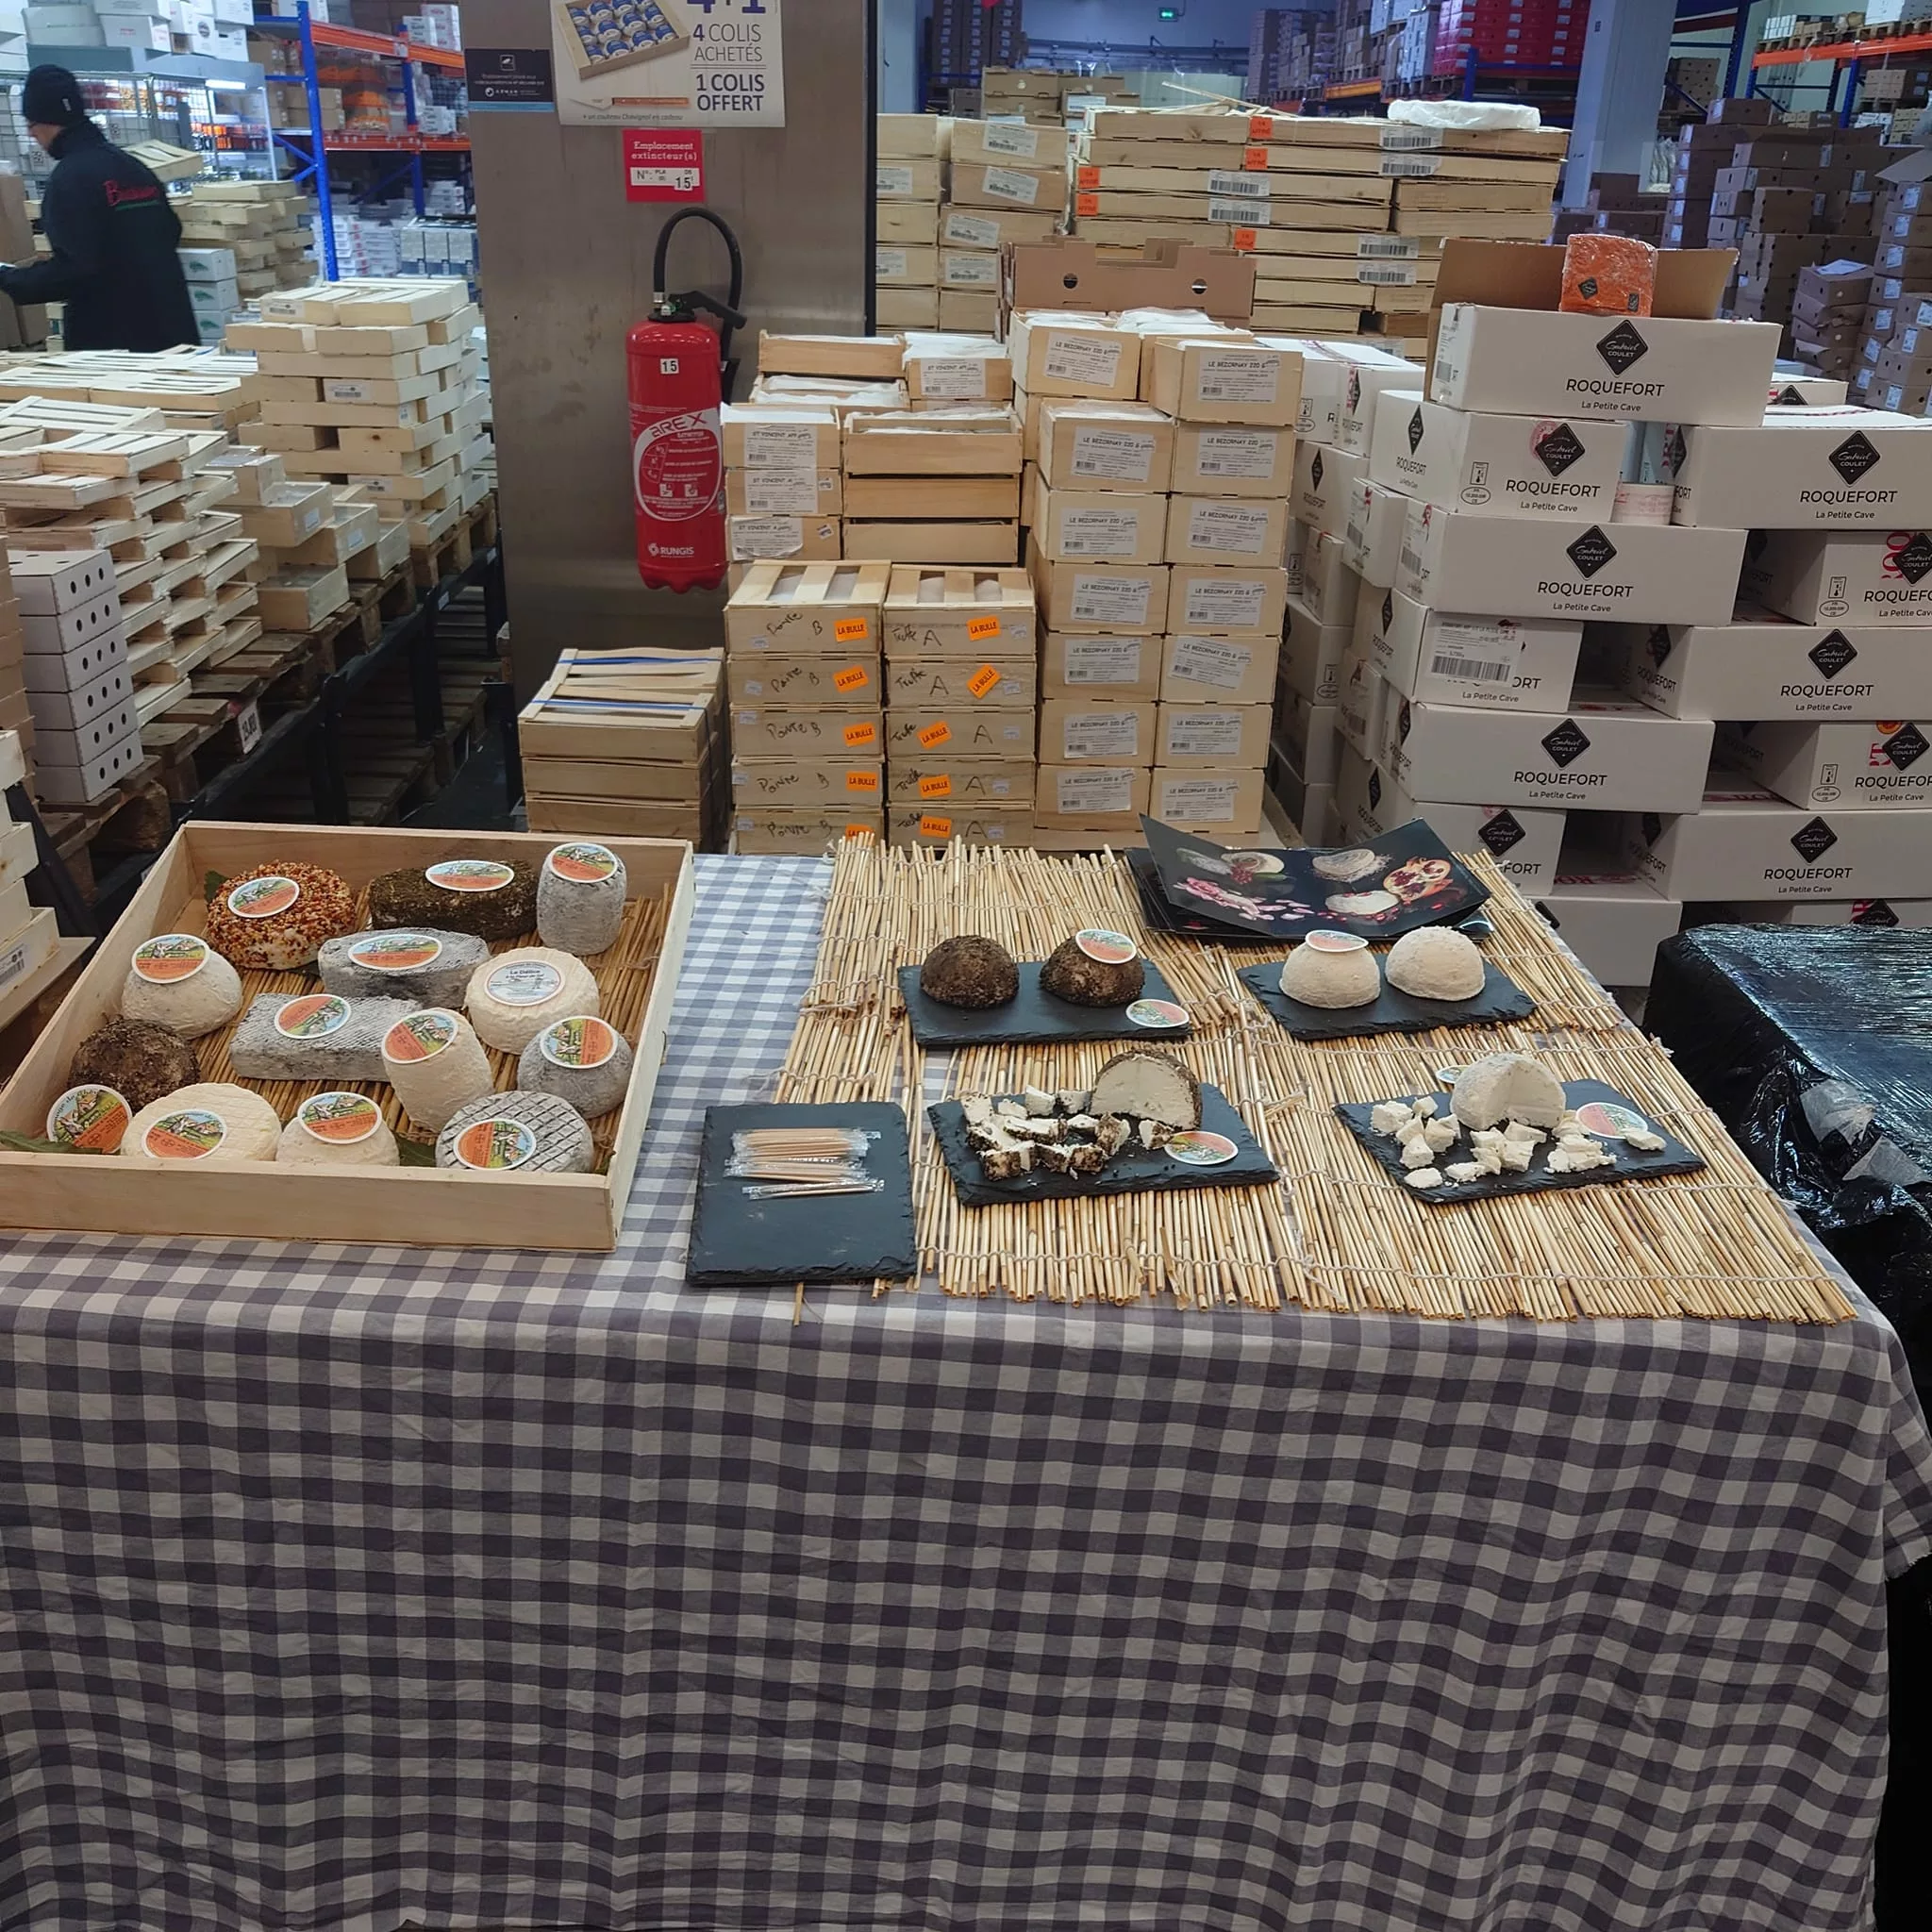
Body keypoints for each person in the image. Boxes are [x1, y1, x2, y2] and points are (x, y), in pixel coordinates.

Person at [0, 65, 197, 352]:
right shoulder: (134, 168)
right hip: (173, 333)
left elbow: (74, 270)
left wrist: (10, 278)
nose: (32, 136)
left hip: (115, 346)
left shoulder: (69, 179)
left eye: (30, 125)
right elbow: (170, 231)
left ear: (45, 120)